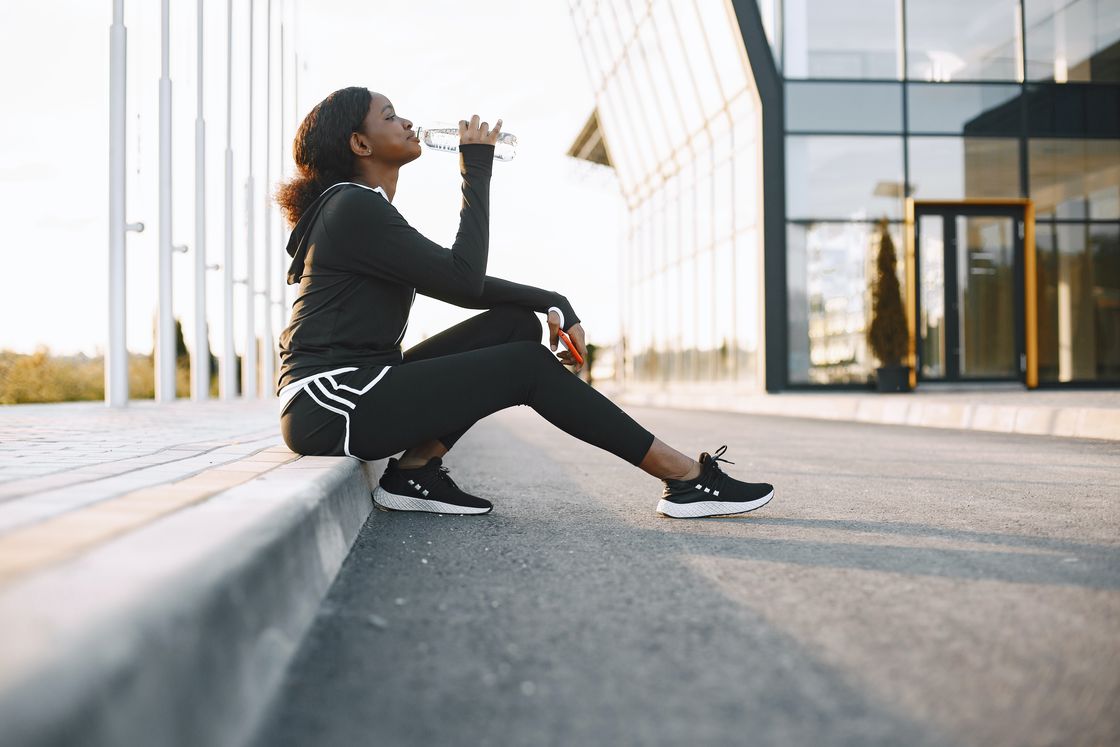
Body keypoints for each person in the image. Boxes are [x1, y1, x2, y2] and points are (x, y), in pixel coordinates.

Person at [274, 86, 774, 519]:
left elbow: (460, 283)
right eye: (389, 116)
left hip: (357, 389)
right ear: (360, 143)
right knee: (527, 365)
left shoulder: (360, 208)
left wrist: (553, 301)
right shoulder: (353, 206)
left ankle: (415, 472)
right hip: (331, 403)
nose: (407, 122)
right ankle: (685, 478)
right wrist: (476, 166)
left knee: (513, 325)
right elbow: (464, 281)